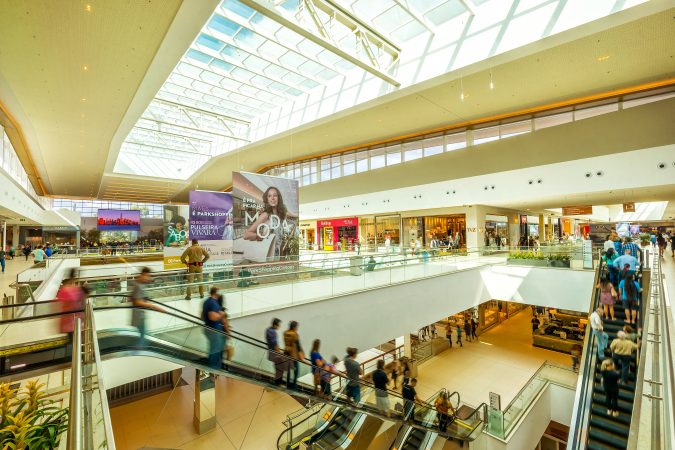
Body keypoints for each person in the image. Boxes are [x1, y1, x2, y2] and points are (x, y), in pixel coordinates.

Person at [244, 186, 288, 259]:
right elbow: (246, 235)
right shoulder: (266, 215)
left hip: (278, 255)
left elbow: (279, 240)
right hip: (268, 254)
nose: (272, 198)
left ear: (278, 198)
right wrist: (261, 235)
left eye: (275, 195)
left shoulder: (280, 217)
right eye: (269, 196)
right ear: (267, 199)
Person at [129, 267, 164, 344]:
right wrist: (153, 306)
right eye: (147, 276)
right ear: (143, 275)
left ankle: (139, 348)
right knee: (143, 335)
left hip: (138, 313)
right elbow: (137, 302)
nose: (148, 278)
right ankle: (138, 351)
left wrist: (144, 298)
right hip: (139, 314)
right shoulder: (138, 286)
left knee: (143, 333)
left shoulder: (138, 283)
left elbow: (132, 297)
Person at [202, 287, 227, 369]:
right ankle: (214, 369)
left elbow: (202, 316)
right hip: (214, 329)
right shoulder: (213, 303)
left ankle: (213, 368)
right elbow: (212, 316)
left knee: (213, 348)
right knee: (215, 350)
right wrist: (221, 315)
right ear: (216, 293)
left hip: (208, 328)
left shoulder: (206, 301)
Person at [265, 318, 287, 386]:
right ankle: (278, 382)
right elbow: (275, 344)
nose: (279, 326)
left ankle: (278, 381)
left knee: (278, 367)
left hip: (271, 351)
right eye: (279, 325)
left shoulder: (268, 330)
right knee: (280, 367)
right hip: (274, 352)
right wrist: (280, 353)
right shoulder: (273, 331)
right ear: (275, 325)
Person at [283, 321, 304, 390]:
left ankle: (288, 384)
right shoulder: (294, 334)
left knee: (288, 369)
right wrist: (301, 355)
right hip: (293, 354)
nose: (297, 328)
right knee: (296, 370)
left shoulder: (285, 333)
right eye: (296, 327)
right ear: (294, 327)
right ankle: (294, 386)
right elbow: (298, 345)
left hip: (286, 352)